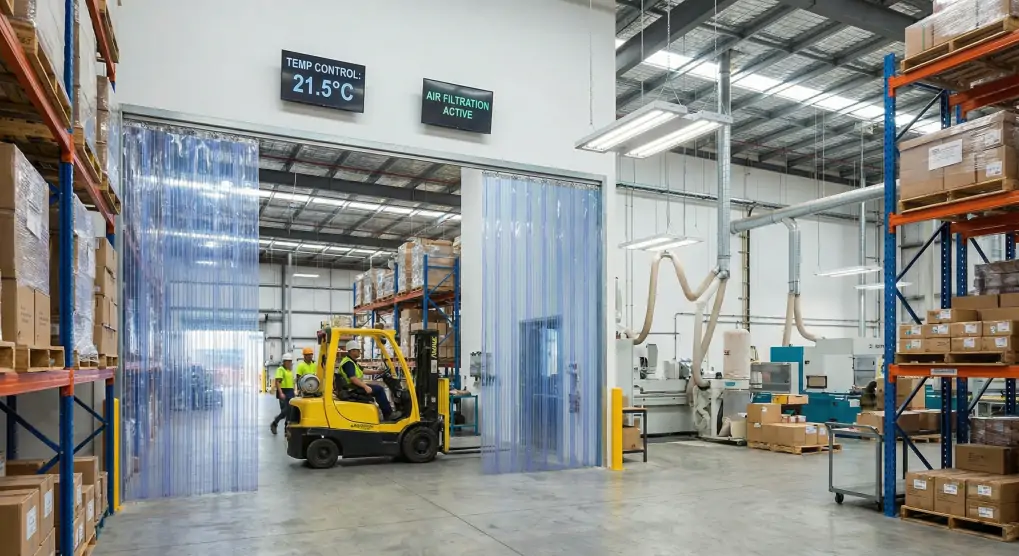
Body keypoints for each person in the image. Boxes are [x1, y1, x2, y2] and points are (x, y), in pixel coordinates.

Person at [338, 340, 400, 421]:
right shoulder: (348, 363)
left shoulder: (351, 361)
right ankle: (388, 414)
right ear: (352, 351)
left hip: (353, 387)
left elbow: (364, 370)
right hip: (352, 388)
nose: (360, 352)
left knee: (377, 388)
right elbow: (353, 378)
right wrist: (365, 386)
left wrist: (378, 371)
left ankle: (387, 413)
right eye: (358, 350)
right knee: (379, 389)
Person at [270, 353, 296, 435]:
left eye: (290, 361)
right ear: (284, 362)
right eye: (288, 361)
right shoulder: (280, 370)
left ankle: (286, 429)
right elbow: (278, 381)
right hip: (283, 391)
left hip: (290, 392)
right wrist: (280, 393)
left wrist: (295, 390)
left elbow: (292, 382)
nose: (290, 363)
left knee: (290, 411)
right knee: (285, 411)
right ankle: (275, 423)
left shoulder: (290, 371)